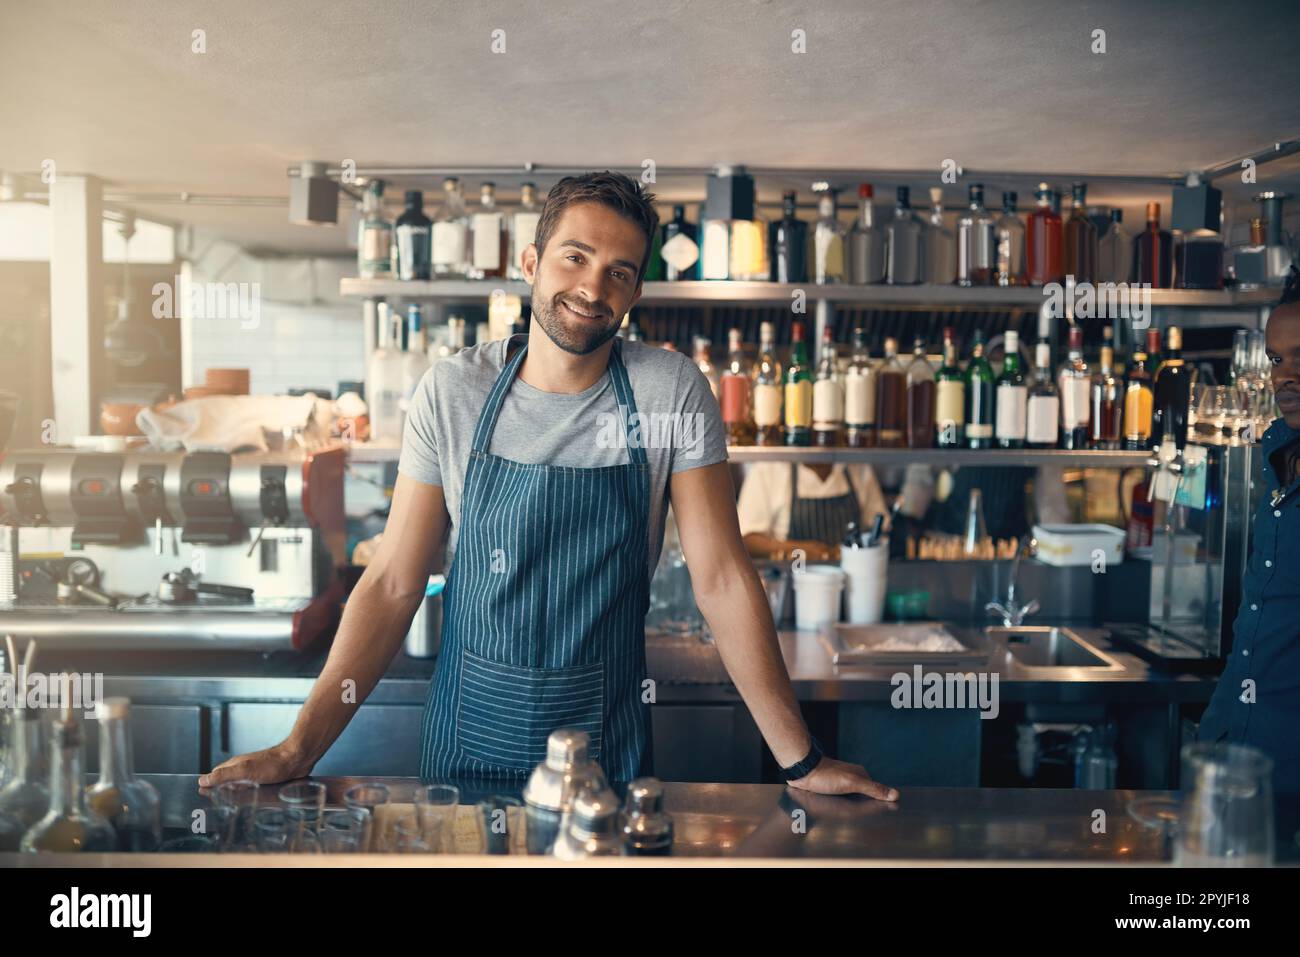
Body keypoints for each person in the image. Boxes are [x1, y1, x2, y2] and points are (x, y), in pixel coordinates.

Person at [199, 171, 896, 800]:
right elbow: (391, 583)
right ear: (530, 263)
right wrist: (299, 747)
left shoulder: (669, 391)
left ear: (636, 291)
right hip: (465, 748)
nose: (594, 288)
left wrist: (801, 761)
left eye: (619, 272)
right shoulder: (453, 392)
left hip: (603, 758)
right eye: (575, 258)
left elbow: (721, 577)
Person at [1197, 267, 1300, 795]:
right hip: (1234, 747)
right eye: (1277, 360)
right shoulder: (1276, 451)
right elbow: (1257, 617)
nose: (1285, 376)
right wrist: (1214, 730)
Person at [738, 461, 924, 561]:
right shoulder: (770, 469)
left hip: (851, 590)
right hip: (790, 586)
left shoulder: (857, 468)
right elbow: (746, 542)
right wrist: (799, 550)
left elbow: (879, 531)